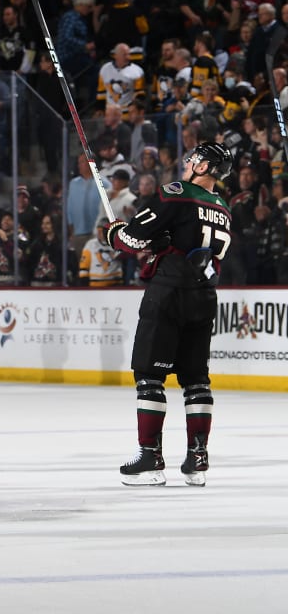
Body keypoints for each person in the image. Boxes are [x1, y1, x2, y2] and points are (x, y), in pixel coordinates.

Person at [106, 142, 233, 487]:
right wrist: (163, 243)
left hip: (168, 293)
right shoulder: (222, 207)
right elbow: (190, 243)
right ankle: (198, 458)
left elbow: (131, 239)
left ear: (205, 167)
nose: (188, 162)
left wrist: (114, 233)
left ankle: (150, 457)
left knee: (149, 375)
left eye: (195, 159)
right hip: (204, 296)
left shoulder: (177, 193)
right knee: (196, 380)